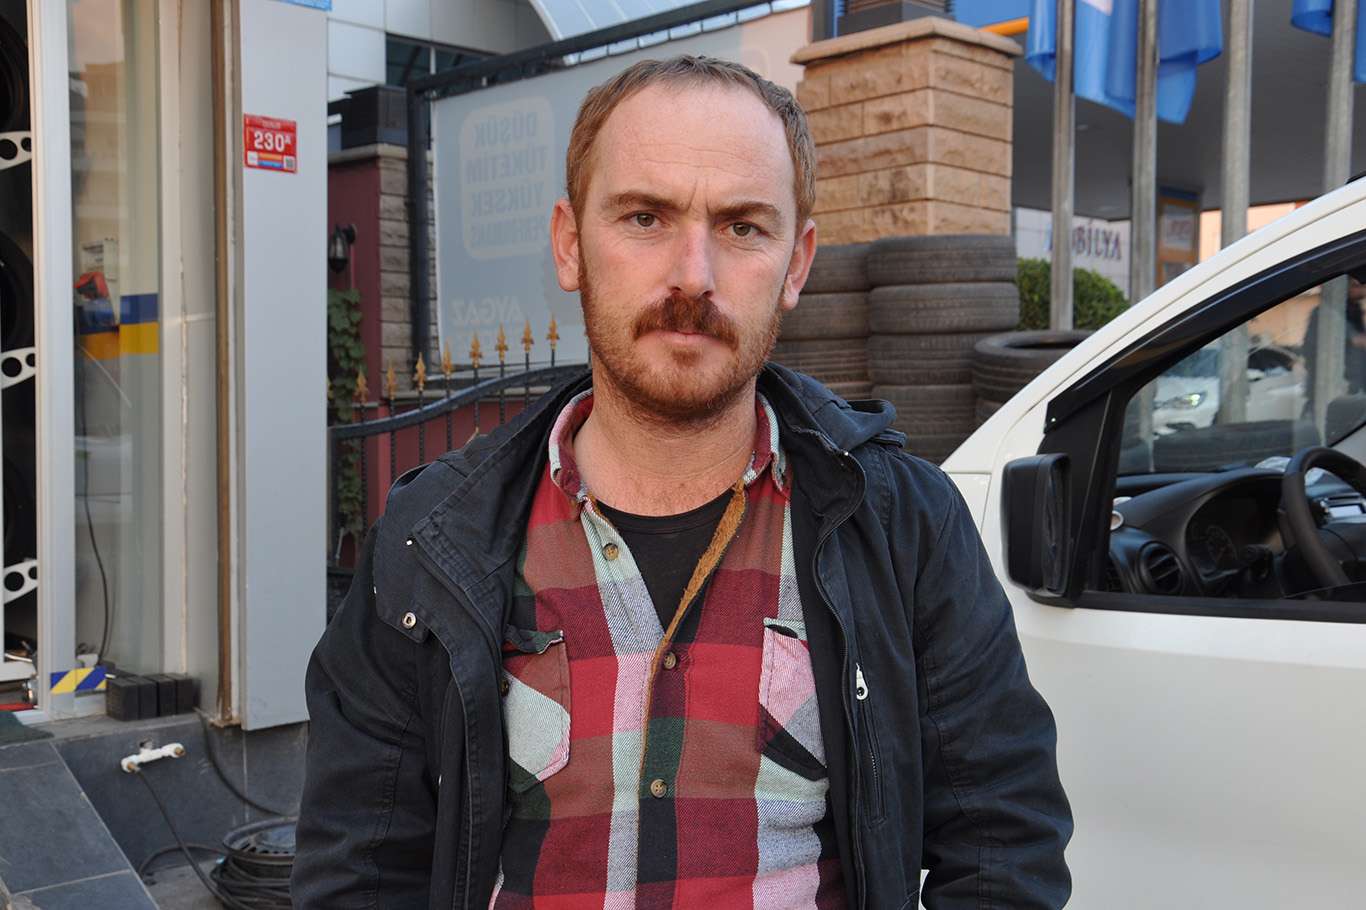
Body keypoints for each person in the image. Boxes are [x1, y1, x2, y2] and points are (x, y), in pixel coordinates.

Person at [292, 55, 1072, 909]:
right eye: (644, 217)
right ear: (569, 243)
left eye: (742, 227)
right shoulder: (434, 544)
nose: (693, 275)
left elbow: (1002, 846)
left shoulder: (901, 527)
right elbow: (360, 873)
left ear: (797, 263)